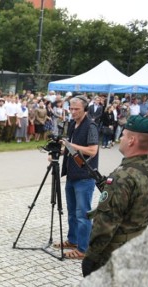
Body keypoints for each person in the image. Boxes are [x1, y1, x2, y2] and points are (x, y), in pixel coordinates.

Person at [82, 115, 148, 276]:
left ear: (131, 140)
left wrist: (91, 258)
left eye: (123, 135)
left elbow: (105, 224)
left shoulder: (122, 177)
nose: (121, 138)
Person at [55, 96, 100, 259]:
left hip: (85, 176)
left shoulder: (91, 126)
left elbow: (92, 151)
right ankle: (73, 240)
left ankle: (83, 249)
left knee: (83, 214)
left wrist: (69, 145)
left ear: (85, 110)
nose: (73, 112)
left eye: (76, 109)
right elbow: (71, 148)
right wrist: (59, 152)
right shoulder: (73, 124)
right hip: (72, 174)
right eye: (71, 109)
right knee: (72, 212)